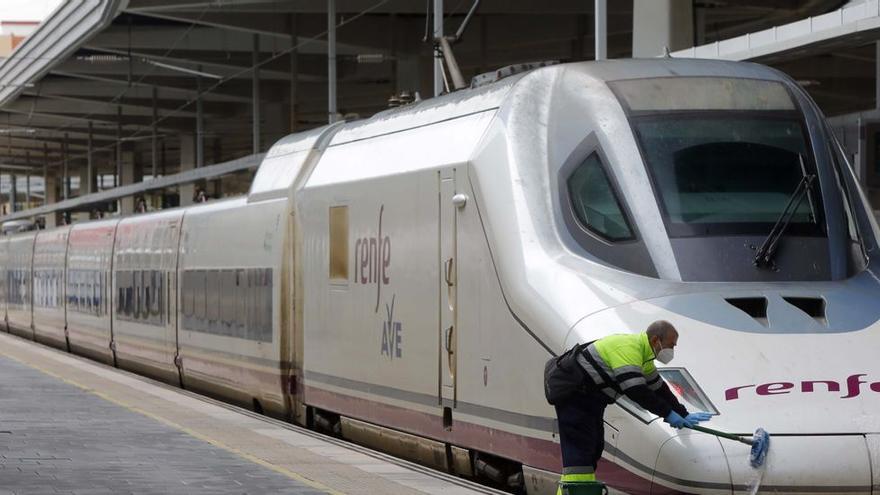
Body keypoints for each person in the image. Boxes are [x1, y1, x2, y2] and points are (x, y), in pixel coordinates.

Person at [550, 320, 713, 491]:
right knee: (580, 455)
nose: (672, 350)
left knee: (593, 448)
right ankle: (579, 491)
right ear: (655, 340)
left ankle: (577, 490)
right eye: (670, 345)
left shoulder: (644, 356)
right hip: (575, 399)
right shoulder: (628, 349)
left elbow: (658, 388)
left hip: (590, 401)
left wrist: (682, 412)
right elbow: (636, 390)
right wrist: (668, 414)